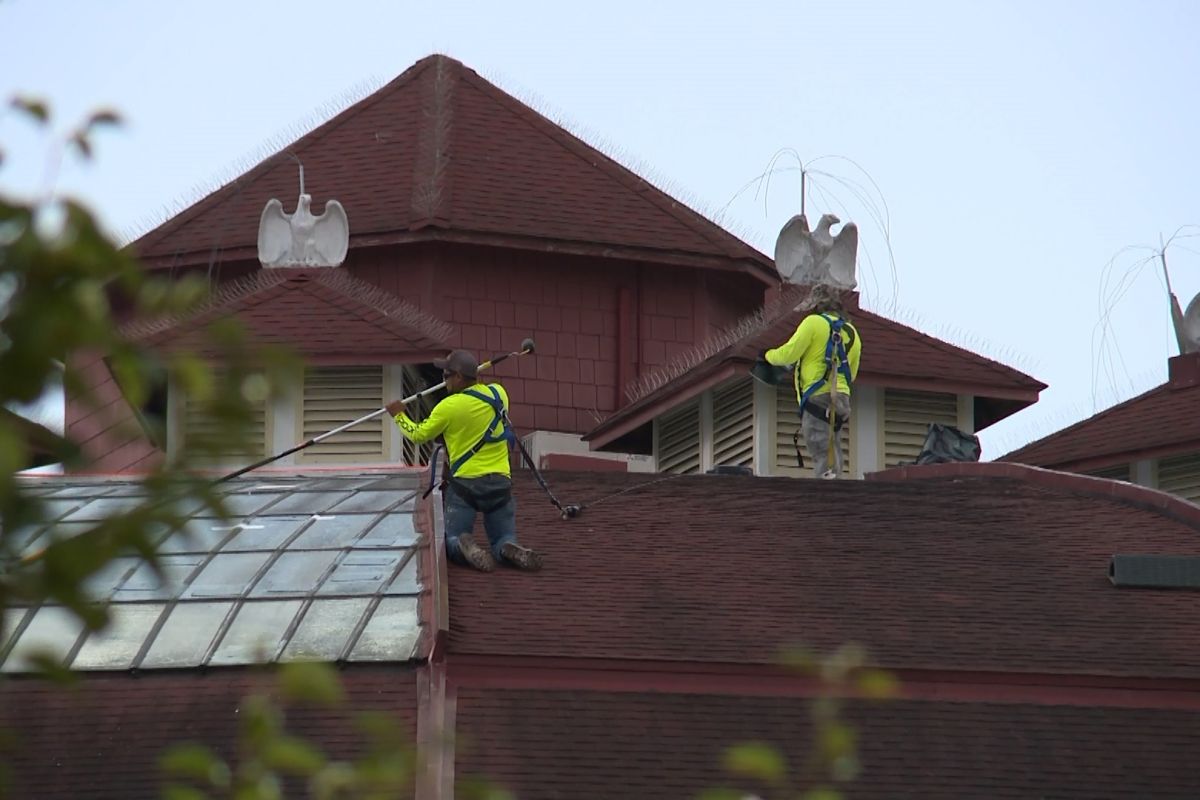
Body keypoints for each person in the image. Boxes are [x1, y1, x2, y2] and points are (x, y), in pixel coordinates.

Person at [386, 350, 542, 572]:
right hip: (500, 483)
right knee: (503, 536)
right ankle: (507, 547)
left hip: (465, 486)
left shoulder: (449, 407)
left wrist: (399, 415)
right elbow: (479, 392)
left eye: (446, 375)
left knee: (450, 540)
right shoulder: (499, 394)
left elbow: (419, 435)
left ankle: (464, 545)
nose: (444, 381)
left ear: (458, 377)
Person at [763, 284, 862, 478]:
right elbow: (852, 374)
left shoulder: (813, 323)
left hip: (818, 397)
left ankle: (827, 495)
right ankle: (834, 483)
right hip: (841, 399)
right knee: (832, 447)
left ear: (817, 305)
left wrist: (767, 356)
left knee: (821, 448)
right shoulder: (852, 332)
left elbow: (788, 354)